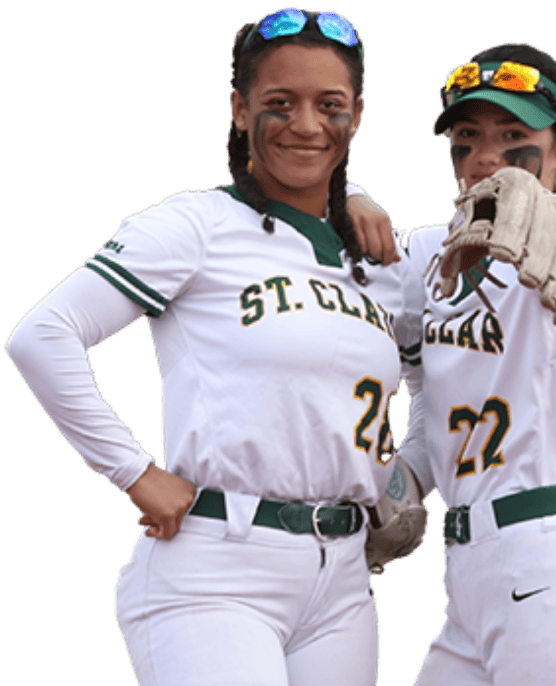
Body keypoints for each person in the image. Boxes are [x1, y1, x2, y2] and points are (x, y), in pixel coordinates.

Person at [4, 9, 420, 686]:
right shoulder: (196, 223)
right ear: (238, 109)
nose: (307, 124)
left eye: (330, 105)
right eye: (278, 103)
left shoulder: (379, 261)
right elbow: (43, 336)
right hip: (218, 567)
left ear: (358, 116)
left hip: (343, 577)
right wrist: (134, 473)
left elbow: (437, 373)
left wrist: (409, 474)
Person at [349, 42, 556, 685]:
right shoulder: (431, 253)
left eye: (513, 134)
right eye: (468, 136)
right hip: (470, 583)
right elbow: (430, 404)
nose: (486, 155)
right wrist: (341, 196)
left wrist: (537, 199)